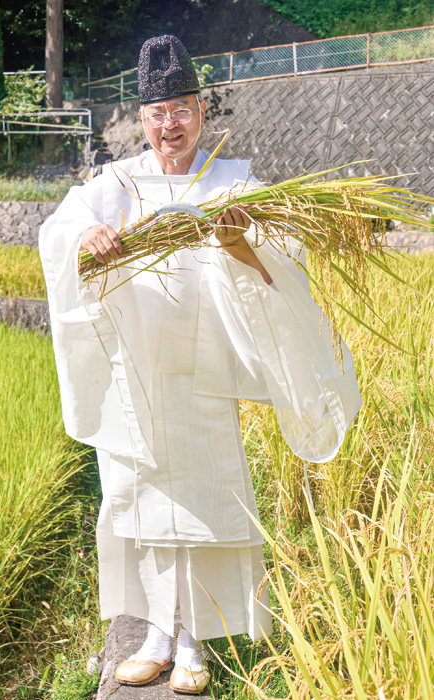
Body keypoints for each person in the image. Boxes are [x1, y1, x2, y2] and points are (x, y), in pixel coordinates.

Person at [39, 35, 362, 694]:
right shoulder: (115, 183)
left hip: (207, 373)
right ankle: (157, 631)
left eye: (182, 109)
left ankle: (194, 642)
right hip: (139, 375)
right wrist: (86, 238)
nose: (170, 125)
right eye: (158, 113)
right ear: (142, 117)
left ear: (201, 111)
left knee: (208, 502)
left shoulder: (233, 182)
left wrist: (243, 243)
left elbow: (283, 259)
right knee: (145, 504)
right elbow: (58, 234)